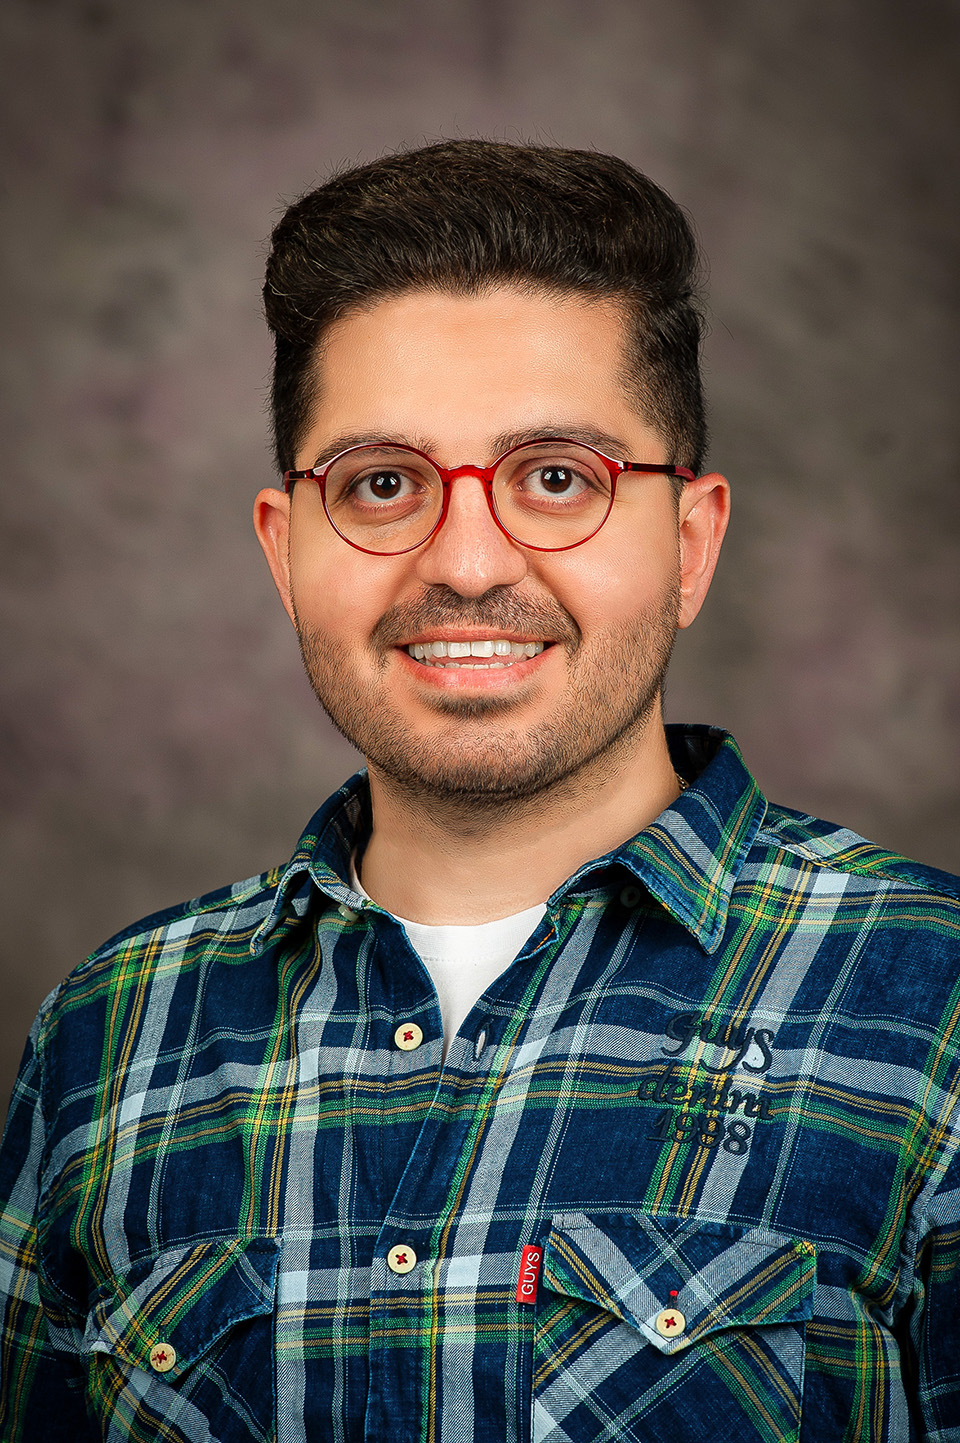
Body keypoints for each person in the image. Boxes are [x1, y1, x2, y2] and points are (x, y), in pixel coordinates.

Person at [0, 140, 958, 1443]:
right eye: (381, 484)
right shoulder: (107, 1037)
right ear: (287, 551)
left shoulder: (935, 1006)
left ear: (691, 541)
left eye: (557, 478)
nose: (462, 562)